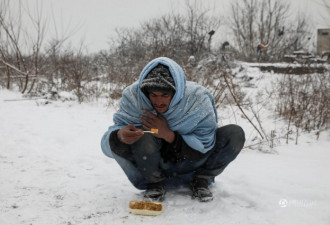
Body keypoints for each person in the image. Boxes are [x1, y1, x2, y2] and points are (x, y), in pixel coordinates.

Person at [101, 57, 245, 202]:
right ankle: (155, 183)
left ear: (177, 91)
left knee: (235, 133)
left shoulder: (196, 99)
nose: (159, 102)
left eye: (165, 95)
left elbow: (205, 145)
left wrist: (168, 134)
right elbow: (109, 141)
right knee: (144, 135)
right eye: (153, 95)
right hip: (154, 165)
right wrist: (119, 136)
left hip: (193, 163)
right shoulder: (135, 98)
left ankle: (201, 180)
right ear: (146, 93)